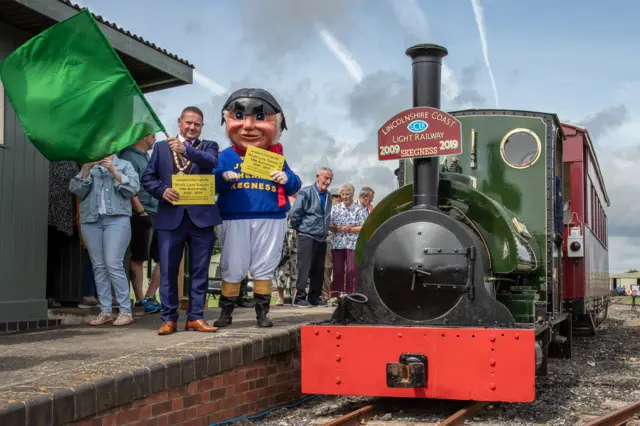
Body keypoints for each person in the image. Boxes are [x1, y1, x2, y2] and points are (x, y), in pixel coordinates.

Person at [213, 88, 302, 328]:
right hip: (234, 216)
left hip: (270, 217)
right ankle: (226, 313)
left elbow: (296, 183)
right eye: (239, 116)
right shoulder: (225, 156)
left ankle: (262, 313)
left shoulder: (277, 157)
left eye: (260, 118)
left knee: (265, 266)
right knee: (232, 264)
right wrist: (222, 177)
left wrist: (285, 178)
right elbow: (210, 182)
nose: (249, 126)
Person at [141, 106, 222, 335]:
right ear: (179, 122)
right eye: (189, 123)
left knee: (200, 270)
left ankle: (196, 317)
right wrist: (162, 190)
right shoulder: (160, 148)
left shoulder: (208, 147)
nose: (192, 127)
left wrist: (185, 149)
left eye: (197, 124)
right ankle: (168, 319)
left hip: (202, 220)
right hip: (171, 218)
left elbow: (211, 162)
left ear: (202, 127)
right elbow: (147, 178)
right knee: (168, 270)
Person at [69, 154, 140, 326]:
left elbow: (133, 189)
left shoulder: (124, 165)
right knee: (99, 266)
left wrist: (114, 171)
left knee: (113, 263)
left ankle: (125, 311)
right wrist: (86, 168)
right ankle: (106, 310)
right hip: (91, 220)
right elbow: (76, 190)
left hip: (117, 219)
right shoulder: (89, 166)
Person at [119, 132, 162, 314]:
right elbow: (129, 186)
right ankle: (140, 299)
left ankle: (151, 295)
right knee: (138, 257)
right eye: (152, 135)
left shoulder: (148, 157)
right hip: (141, 213)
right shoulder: (128, 157)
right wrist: (140, 210)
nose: (155, 139)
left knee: (165, 257)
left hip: (157, 212)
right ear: (143, 137)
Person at [289, 167, 333, 307]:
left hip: (321, 236)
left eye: (330, 179)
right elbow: (295, 213)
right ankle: (299, 297)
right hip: (307, 234)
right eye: (326, 178)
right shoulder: (306, 192)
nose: (328, 181)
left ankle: (315, 296)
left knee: (319, 268)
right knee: (305, 266)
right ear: (317, 177)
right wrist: (299, 228)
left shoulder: (329, 196)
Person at [330, 183, 368, 296]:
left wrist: (351, 229)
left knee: (352, 270)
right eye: (343, 194)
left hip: (353, 243)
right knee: (338, 270)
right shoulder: (335, 209)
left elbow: (364, 227)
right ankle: (337, 294)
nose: (345, 196)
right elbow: (329, 225)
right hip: (338, 243)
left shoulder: (359, 209)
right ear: (340, 196)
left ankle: (353, 294)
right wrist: (337, 228)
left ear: (352, 195)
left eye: (348, 194)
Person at [322, 193, 342, 303]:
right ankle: (325, 295)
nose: (338, 199)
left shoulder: (342, 210)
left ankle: (337, 294)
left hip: (340, 242)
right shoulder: (327, 209)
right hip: (329, 240)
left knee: (339, 269)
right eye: (335, 197)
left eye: (339, 197)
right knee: (327, 268)